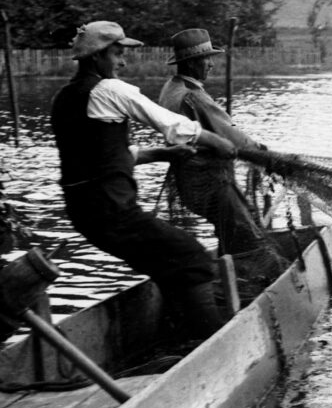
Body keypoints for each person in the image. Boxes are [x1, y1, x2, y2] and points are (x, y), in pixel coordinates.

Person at [51, 21, 236, 339]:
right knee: (192, 257)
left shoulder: (64, 98)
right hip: (113, 210)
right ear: (97, 56)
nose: (123, 62)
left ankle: (179, 332)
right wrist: (216, 140)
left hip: (84, 214)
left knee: (166, 265)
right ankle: (211, 340)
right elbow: (171, 123)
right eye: (117, 54)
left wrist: (162, 154)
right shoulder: (109, 90)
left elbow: (104, 157)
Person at [158, 28, 285, 280]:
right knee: (248, 238)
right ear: (192, 63)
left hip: (188, 185)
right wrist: (266, 154)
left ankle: (234, 278)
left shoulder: (171, 88)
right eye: (206, 59)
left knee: (234, 230)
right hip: (212, 184)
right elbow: (234, 138)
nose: (212, 64)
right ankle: (255, 283)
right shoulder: (194, 97)